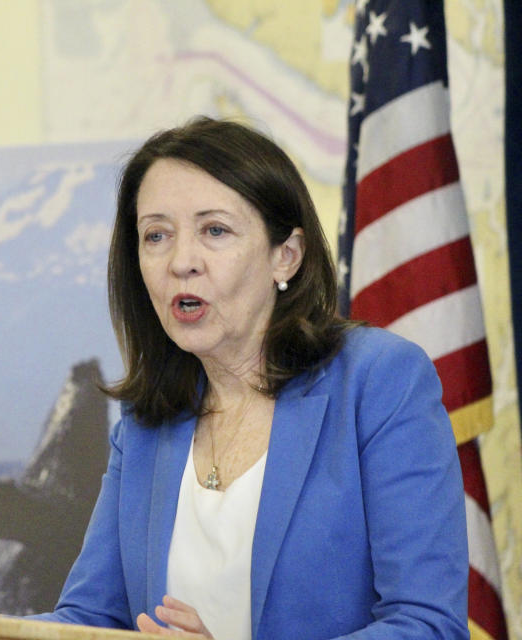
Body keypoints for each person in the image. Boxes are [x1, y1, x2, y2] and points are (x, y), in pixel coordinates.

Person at [31, 118, 468, 638]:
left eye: (214, 231)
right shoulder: (147, 419)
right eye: (156, 236)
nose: (181, 262)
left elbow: (426, 624)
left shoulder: (378, 382)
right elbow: (90, 620)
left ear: (286, 255)